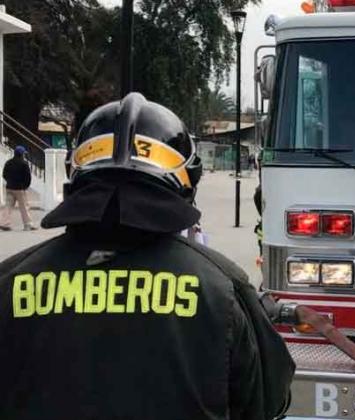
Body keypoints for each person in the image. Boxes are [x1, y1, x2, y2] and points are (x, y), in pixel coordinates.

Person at [0, 93, 295, 420]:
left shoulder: (9, 281)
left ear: (77, 174)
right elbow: (269, 402)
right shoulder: (223, 288)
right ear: (186, 183)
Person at [0, 145, 36, 231]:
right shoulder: (24, 164)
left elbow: (4, 174)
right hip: (20, 188)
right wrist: (25, 186)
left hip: (9, 187)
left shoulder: (8, 162)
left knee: (8, 206)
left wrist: (9, 182)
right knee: (24, 207)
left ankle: (4, 223)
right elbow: (28, 178)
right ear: (22, 154)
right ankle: (28, 224)